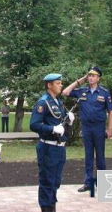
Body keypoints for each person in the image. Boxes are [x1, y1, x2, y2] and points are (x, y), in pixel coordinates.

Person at [62, 66, 112, 192]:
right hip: (86, 128)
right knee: (88, 155)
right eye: (89, 75)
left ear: (98, 78)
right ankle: (88, 183)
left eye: (93, 75)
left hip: (99, 128)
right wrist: (80, 80)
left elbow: (111, 111)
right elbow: (65, 92)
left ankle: (102, 184)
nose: (90, 78)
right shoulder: (82, 91)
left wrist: (110, 129)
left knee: (100, 156)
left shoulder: (104, 92)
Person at [30, 73, 75, 212]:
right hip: (48, 148)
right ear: (49, 85)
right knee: (47, 182)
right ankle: (47, 209)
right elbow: (34, 125)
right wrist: (52, 129)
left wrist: (68, 121)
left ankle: (52, 207)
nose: (61, 85)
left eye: (61, 83)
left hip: (59, 148)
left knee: (55, 182)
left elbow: (60, 123)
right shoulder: (43, 103)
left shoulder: (57, 102)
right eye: (58, 83)